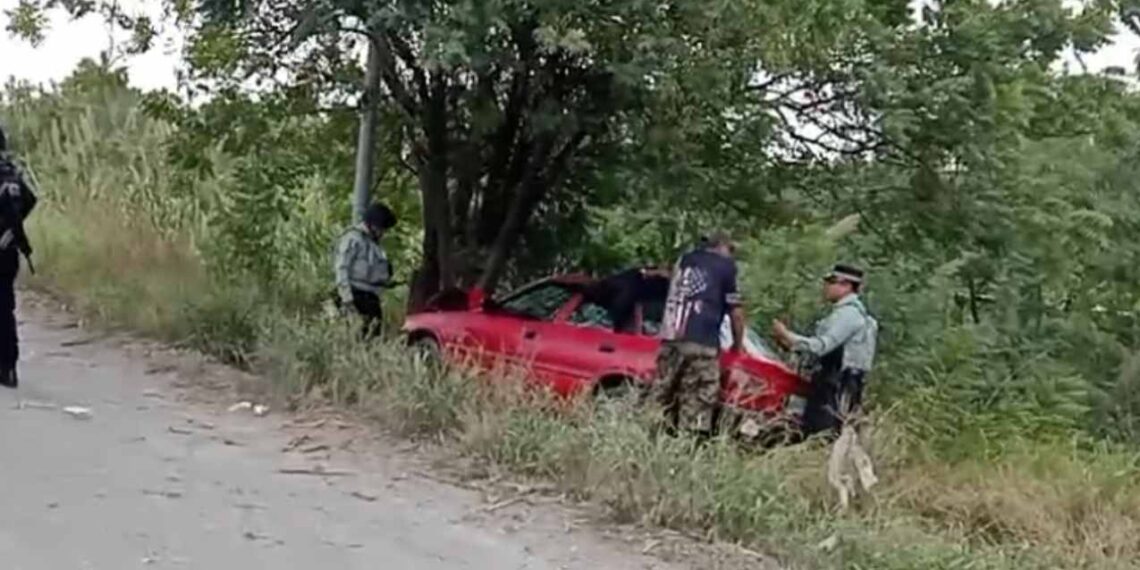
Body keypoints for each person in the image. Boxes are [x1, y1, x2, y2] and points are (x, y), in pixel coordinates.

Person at [650, 232, 745, 437]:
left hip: (671, 338)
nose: (732, 256)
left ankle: (648, 437)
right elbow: (736, 313)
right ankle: (688, 444)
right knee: (699, 399)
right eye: (732, 250)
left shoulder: (684, 260)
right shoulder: (726, 267)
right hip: (703, 343)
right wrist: (737, 346)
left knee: (661, 391)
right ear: (722, 246)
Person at [772, 264, 878, 439]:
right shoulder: (846, 313)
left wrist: (787, 335)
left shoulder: (848, 315)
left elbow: (821, 347)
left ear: (847, 286)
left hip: (837, 384)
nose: (826, 286)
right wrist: (789, 344)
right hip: (836, 381)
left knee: (823, 434)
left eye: (831, 282)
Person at [0, 125, 38, 389]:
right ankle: (8, 367)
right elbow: (30, 199)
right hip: (8, 249)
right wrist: (11, 232)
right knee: (5, 309)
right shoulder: (10, 172)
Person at [333, 203, 397, 339]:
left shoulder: (375, 245)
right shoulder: (353, 239)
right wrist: (347, 299)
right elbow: (341, 268)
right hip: (354, 296)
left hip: (371, 299)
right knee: (354, 337)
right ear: (372, 225)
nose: (383, 233)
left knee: (372, 339)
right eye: (381, 228)